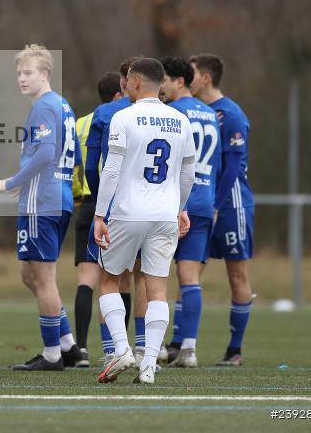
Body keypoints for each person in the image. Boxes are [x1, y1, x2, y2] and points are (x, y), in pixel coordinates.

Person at [93, 57, 196, 385]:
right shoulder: (181, 120)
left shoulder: (124, 117)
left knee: (110, 281)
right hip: (165, 214)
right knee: (157, 290)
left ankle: (122, 349)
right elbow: (188, 173)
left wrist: (99, 213)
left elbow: (110, 170)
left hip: (128, 211)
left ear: (135, 82)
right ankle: (148, 364)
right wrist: (180, 207)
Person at [0, 45, 81, 372]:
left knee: (43, 277)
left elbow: (45, 154)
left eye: (28, 73)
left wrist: (12, 181)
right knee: (29, 275)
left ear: (45, 74)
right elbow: (73, 155)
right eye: (19, 73)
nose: (22, 79)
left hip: (43, 201)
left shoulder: (44, 106)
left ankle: (53, 354)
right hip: (57, 195)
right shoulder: (63, 105)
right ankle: (68, 345)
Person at [190, 53, 254, 367]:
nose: (187, 79)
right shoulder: (195, 111)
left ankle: (234, 350)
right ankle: (180, 343)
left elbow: (232, 168)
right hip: (203, 204)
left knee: (236, 275)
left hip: (231, 204)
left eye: (191, 73)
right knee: (188, 269)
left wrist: (218, 204)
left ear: (206, 78)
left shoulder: (231, 114)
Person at [159, 56, 220, 368]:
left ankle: (149, 347)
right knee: (189, 277)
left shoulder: (172, 114)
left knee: (154, 273)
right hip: (203, 201)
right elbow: (219, 163)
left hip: (175, 201)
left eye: (165, 79)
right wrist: (214, 203)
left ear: (179, 82)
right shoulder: (210, 114)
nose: (162, 86)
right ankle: (189, 349)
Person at [71, 72, 122, 368]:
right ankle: (118, 345)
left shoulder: (81, 123)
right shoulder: (123, 116)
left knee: (86, 281)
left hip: (88, 204)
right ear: (119, 94)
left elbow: (77, 164)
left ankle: (81, 348)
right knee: (118, 280)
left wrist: (79, 195)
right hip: (116, 205)